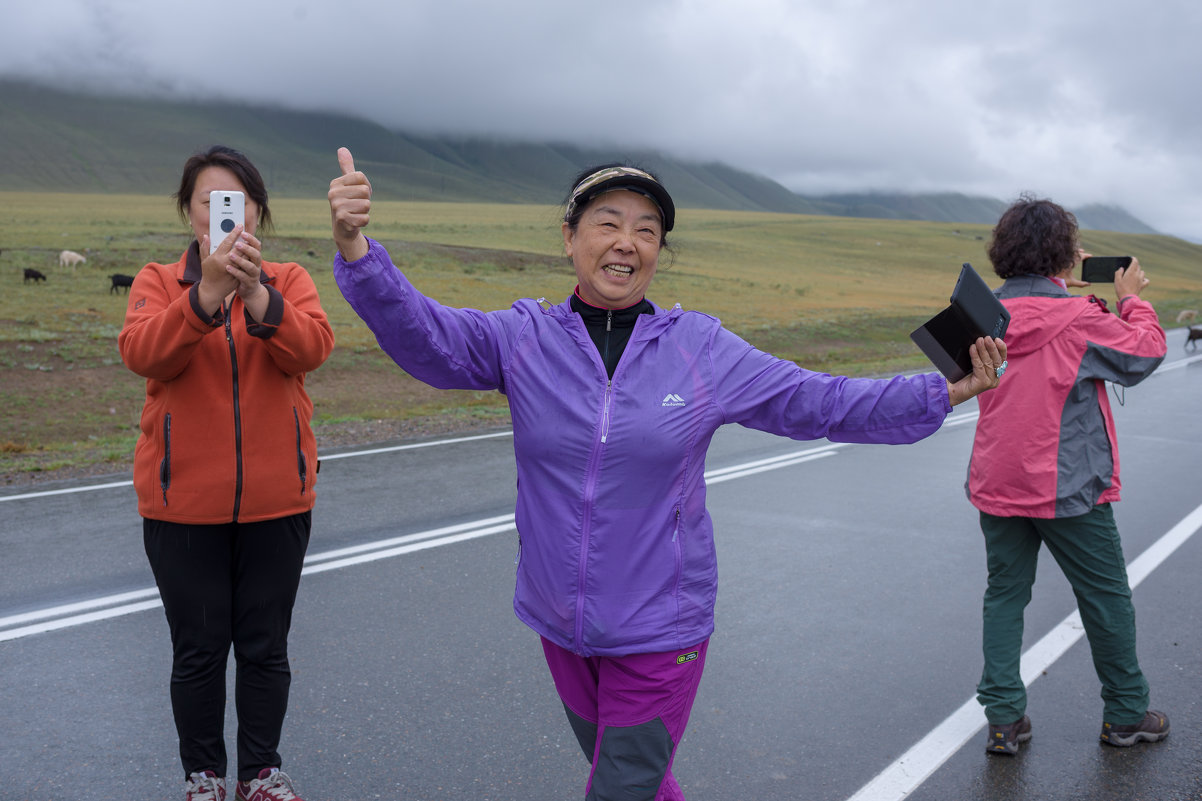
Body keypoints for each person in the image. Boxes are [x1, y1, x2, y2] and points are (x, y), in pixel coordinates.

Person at [327, 147, 1006, 800]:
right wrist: (358, 251)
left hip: (660, 631)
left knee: (620, 786)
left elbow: (818, 400)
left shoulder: (700, 348)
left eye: (646, 230)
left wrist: (939, 392)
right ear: (569, 238)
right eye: (608, 224)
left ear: (658, 251)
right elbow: (426, 337)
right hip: (562, 625)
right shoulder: (523, 338)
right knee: (637, 780)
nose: (627, 242)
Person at [119, 145, 335, 801]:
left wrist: (254, 294)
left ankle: (261, 773)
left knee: (266, 646)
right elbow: (143, 353)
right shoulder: (159, 281)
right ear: (188, 212)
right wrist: (206, 294)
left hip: (277, 502)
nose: (222, 214)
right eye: (209, 203)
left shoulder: (289, 279)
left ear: (257, 212)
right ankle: (205, 778)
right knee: (200, 649)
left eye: (235, 203)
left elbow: (313, 347)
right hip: (182, 507)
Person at [965, 194, 1169, 755]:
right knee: (1105, 597)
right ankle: (1126, 713)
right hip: (1069, 486)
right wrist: (1129, 302)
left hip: (997, 481)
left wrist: (1056, 288)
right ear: (1066, 255)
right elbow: (1145, 354)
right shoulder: (1084, 320)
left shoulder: (981, 315)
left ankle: (1004, 720)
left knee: (1004, 596)